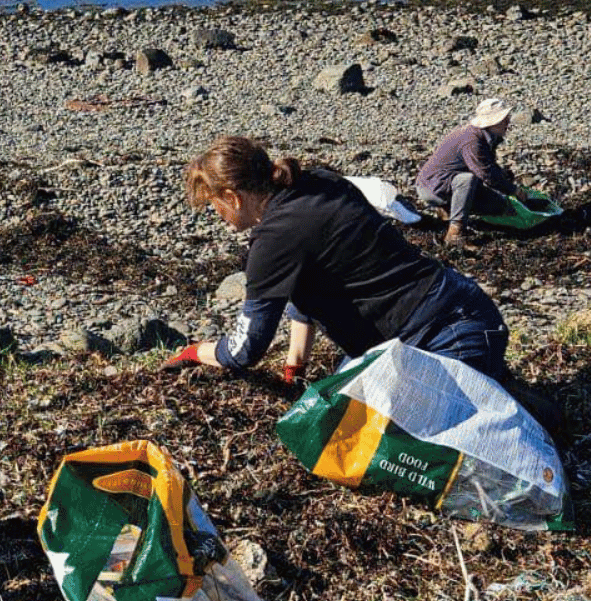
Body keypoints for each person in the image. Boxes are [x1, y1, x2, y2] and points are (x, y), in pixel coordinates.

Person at [165, 136, 510, 387]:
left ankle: (517, 403)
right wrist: (294, 367)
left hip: (443, 337)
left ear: (231, 197)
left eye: (213, 204)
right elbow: (309, 282)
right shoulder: (318, 182)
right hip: (465, 310)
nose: (217, 214)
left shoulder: (273, 239)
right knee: (335, 399)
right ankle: (503, 386)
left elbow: (245, 350)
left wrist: (194, 352)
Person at [415, 97, 517, 246]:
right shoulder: (472, 139)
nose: (508, 122)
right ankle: (454, 233)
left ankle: (448, 209)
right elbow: (485, 173)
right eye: (504, 119)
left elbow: (489, 167)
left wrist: (504, 179)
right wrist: (515, 191)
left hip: (449, 184)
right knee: (467, 179)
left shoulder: (487, 137)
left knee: (500, 206)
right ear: (492, 122)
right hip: (432, 187)